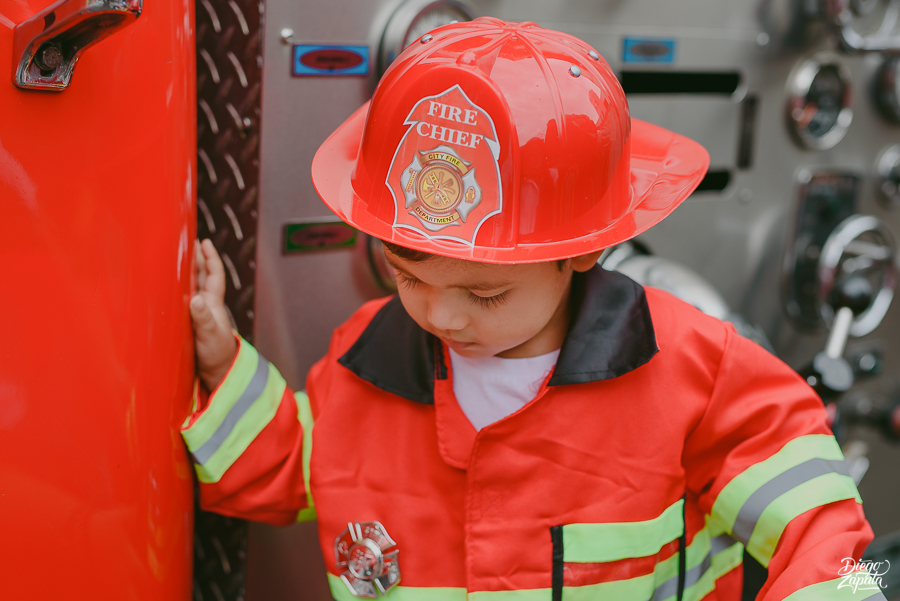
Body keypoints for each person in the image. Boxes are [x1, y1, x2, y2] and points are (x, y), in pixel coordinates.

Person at [183, 18, 883, 601]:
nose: (441, 317)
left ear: (582, 251)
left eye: (484, 294)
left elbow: (822, 523)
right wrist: (224, 369)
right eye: (405, 275)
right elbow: (297, 465)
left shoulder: (692, 370)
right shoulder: (366, 360)